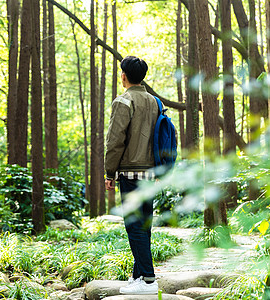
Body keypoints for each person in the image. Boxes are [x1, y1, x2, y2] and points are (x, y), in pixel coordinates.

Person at [104, 56, 159, 295]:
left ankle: (148, 280)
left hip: (130, 173)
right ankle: (138, 276)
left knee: (134, 225)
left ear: (124, 75)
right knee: (144, 225)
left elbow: (115, 141)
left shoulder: (123, 101)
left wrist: (110, 172)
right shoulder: (155, 102)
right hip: (152, 172)